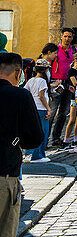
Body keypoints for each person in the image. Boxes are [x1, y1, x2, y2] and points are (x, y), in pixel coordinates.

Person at [0, 51, 44, 237]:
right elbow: (34, 137)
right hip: (4, 173)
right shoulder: (19, 95)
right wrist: (15, 140)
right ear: (18, 73)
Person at [47, 28, 77, 148]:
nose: (67, 39)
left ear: (72, 38)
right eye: (65, 36)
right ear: (61, 36)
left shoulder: (74, 50)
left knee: (64, 113)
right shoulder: (55, 50)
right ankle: (45, 139)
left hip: (68, 83)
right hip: (56, 83)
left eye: (69, 36)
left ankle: (56, 138)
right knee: (52, 112)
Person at [24, 60, 51, 160]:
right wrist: (48, 109)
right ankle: (38, 155)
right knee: (43, 132)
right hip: (41, 108)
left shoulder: (31, 80)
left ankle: (32, 154)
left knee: (35, 131)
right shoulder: (42, 81)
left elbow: (26, 91)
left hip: (33, 108)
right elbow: (41, 96)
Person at [61, 52, 77, 147]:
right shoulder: (72, 71)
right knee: (72, 119)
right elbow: (75, 83)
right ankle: (66, 140)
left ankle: (76, 139)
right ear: (76, 60)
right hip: (74, 97)